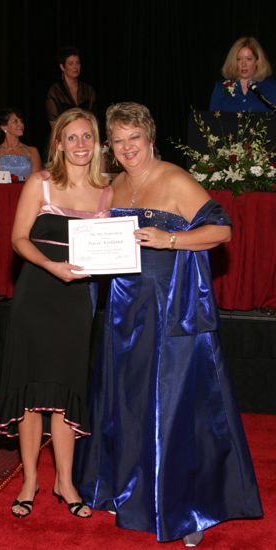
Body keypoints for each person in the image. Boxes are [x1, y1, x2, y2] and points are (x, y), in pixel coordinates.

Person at [74, 102, 263, 547]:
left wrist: (170, 239)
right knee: (129, 401)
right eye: (117, 141)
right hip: (123, 309)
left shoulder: (175, 178)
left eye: (133, 138)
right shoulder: (116, 184)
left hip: (169, 309)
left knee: (176, 406)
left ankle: (189, 508)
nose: (126, 148)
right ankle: (130, 490)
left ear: (149, 136)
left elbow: (222, 230)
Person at [0, 107, 113, 520]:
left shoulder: (107, 191)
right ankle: (30, 481)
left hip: (77, 301)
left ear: (96, 143)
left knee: (64, 393)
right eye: (72, 137)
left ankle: (66, 481)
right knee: (30, 394)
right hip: (37, 295)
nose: (80, 145)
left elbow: (113, 248)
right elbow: (19, 240)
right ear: (58, 143)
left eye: (87, 137)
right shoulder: (39, 183)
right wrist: (52, 267)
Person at [209, 36, 276, 112]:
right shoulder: (222, 87)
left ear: (257, 61)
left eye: (249, 59)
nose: (243, 64)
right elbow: (212, 120)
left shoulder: (272, 87)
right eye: (238, 59)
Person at [0, 107, 42, 181]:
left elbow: (37, 179)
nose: (21, 125)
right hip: (3, 191)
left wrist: (17, 178)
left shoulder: (32, 151)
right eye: (15, 121)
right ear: (4, 127)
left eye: (21, 121)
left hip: (27, 191)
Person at [46, 46, 97, 127]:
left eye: (77, 63)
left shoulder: (88, 90)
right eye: (71, 63)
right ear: (62, 67)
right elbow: (54, 124)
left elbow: (94, 119)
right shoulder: (55, 91)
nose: (75, 67)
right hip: (63, 136)